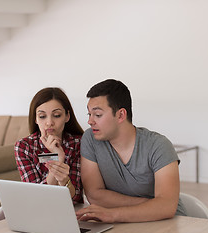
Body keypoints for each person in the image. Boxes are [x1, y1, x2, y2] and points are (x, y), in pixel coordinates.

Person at [76, 79, 186, 222]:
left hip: (169, 223)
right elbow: (94, 195)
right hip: (126, 225)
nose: (90, 121)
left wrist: (112, 214)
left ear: (121, 115)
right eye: (89, 114)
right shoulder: (90, 139)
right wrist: (152, 205)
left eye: (97, 115)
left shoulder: (159, 146)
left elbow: (166, 207)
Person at [15, 87, 84, 204]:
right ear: (35, 119)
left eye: (56, 115)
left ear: (67, 116)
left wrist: (63, 179)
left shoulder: (79, 143)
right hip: (39, 212)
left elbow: (76, 197)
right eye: (42, 116)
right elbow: (37, 198)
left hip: (72, 212)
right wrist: (56, 158)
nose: (49, 122)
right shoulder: (24, 147)